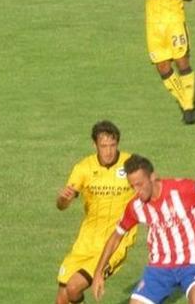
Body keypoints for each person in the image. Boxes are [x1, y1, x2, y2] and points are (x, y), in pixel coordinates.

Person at [91, 154, 195, 304]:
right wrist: (99, 272)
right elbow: (116, 237)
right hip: (159, 267)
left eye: (140, 184)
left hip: (194, 263)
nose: (137, 191)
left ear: (153, 177)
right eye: (132, 186)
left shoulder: (183, 189)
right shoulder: (135, 207)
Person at [55, 121, 138, 304]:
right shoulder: (83, 168)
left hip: (115, 242)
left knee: (74, 287)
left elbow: (150, 191)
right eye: (103, 146)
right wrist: (63, 199)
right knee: (62, 299)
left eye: (112, 145)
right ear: (95, 145)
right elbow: (62, 205)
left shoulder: (131, 164)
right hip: (85, 242)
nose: (108, 151)